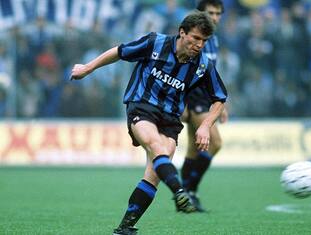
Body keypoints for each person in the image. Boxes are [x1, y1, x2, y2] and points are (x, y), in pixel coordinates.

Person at [70, 11, 227, 235]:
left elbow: (220, 97)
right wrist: (88, 68)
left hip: (170, 119)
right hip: (142, 106)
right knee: (157, 147)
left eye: (204, 41)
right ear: (182, 33)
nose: (199, 45)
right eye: (195, 38)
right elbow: (119, 52)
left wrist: (205, 125)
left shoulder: (203, 66)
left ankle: (125, 228)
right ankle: (179, 191)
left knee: (154, 173)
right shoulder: (156, 43)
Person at [180, 0, 227, 212]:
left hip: (205, 98)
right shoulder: (193, 38)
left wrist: (219, 104)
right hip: (193, 98)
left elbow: (211, 74)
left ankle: (186, 194)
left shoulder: (213, 40)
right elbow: (181, 68)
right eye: (210, 13)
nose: (215, 17)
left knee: (193, 148)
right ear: (200, 14)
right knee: (214, 142)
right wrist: (183, 100)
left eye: (218, 13)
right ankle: (188, 190)